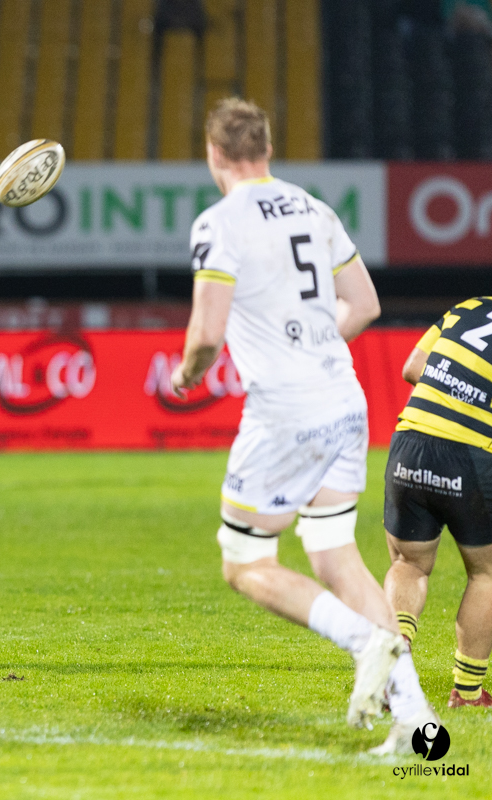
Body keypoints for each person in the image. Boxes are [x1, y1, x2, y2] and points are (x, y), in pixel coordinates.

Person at [172, 98, 436, 753]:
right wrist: (313, 344)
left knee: (244, 561)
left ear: (214, 155)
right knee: (333, 553)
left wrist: (187, 374)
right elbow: (366, 303)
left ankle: (366, 641)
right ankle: (419, 723)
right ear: (265, 149)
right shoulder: (313, 207)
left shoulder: (219, 221)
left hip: (287, 410)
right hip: (344, 399)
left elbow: (206, 332)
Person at [383, 296, 492, 709]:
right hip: (471, 455)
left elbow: (412, 367)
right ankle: (466, 693)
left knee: (408, 565)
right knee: (486, 574)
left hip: (409, 443)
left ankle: (394, 669)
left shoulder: (469, 307)